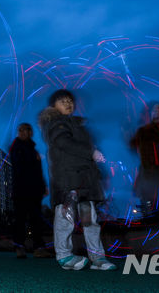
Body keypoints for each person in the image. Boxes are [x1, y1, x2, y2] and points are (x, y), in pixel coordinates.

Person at [38, 89, 116, 271]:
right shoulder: (56, 123)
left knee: (90, 221)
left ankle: (98, 258)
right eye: (62, 101)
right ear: (53, 106)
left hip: (84, 184)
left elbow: (84, 154)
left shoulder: (77, 125)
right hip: (67, 182)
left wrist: (97, 174)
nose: (67, 103)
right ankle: (64, 255)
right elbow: (64, 143)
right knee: (65, 218)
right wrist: (91, 152)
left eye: (69, 100)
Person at [9, 122, 52, 259]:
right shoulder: (16, 147)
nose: (23, 133)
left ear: (31, 133)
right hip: (21, 189)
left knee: (36, 220)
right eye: (20, 130)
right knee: (20, 219)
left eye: (26, 130)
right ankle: (19, 246)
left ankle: (39, 248)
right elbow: (18, 166)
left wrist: (43, 185)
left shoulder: (33, 149)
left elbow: (38, 171)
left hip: (35, 190)